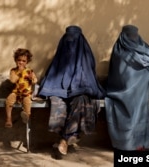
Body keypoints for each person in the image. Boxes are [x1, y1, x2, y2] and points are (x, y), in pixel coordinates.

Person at [37, 25, 105, 155]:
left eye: (74, 38)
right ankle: (68, 138)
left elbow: (89, 76)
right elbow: (53, 74)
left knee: (80, 100)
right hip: (60, 90)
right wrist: (47, 90)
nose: (70, 41)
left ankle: (64, 139)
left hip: (80, 90)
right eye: (68, 38)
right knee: (56, 101)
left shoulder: (85, 55)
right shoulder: (61, 53)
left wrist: (82, 88)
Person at [104, 25, 149, 151]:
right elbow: (121, 75)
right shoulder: (119, 51)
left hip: (139, 91)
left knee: (139, 106)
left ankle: (138, 142)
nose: (133, 38)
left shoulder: (140, 48)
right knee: (136, 106)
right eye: (130, 35)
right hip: (121, 91)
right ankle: (127, 144)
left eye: (135, 35)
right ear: (124, 36)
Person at [5, 48, 38, 128]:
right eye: (19, 60)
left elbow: (35, 81)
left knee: (27, 103)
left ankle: (26, 116)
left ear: (27, 62)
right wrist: (19, 72)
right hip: (16, 92)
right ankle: (9, 119)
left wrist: (32, 78)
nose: (21, 62)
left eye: (24, 61)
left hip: (26, 93)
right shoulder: (13, 71)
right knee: (9, 100)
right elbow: (13, 80)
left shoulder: (29, 71)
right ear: (15, 60)